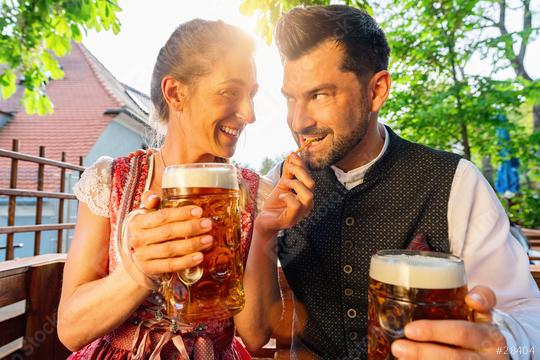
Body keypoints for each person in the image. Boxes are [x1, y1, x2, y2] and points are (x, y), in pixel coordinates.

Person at [243, 5, 540, 360]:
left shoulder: (455, 182)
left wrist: (500, 343)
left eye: (320, 95)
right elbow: (255, 335)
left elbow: (527, 315)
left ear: (377, 90)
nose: (298, 120)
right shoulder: (280, 182)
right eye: (292, 98)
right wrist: (263, 233)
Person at [57, 19, 314, 359]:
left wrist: (265, 232)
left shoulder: (256, 194)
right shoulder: (111, 180)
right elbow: (71, 331)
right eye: (230, 92)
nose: (250, 114)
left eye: (251, 95)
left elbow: (254, 337)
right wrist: (138, 272)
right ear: (176, 93)